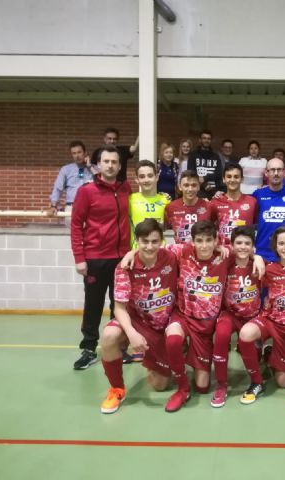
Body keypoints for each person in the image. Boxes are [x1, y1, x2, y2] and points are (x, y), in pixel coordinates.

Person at [162, 220, 265, 412]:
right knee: (173, 340)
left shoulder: (225, 256)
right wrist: (130, 253)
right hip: (183, 315)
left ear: (216, 241)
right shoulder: (182, 251)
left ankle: (194, 360)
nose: (204, 245)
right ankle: (182, 389)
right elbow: (153, 248)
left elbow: (244, 248)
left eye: (208, 240)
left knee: (202, 387)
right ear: (192, 241)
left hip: (205, 325)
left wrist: (257, 256)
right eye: (199, 240)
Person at [98, 219, 178, 413]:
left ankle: (158, 358)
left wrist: (223, 247)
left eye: (154, 241)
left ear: (162, 241)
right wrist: (131, 333)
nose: (149, 246)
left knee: (160, 385)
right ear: (137, 241)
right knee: (108, 336)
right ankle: (117, 389)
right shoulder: (125, 267)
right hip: (136, 319)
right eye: (144, 241)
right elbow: (119, 308)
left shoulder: (172, 255)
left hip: (162, 324)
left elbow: (200, 246)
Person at [70, 145, 132, 370]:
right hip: (95, 258)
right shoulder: (86, 191)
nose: (110, 165)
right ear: (98, 164)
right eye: (106, 161)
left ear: (120, 165)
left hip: (121, 259)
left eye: (114, 162)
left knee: (120, 305)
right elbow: (76, 225)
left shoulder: (125, 188)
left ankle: (119, 347)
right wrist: (80, 257)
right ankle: (88, 349)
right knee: (93, 304)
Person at [238, 226, 285, 404]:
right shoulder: (268, 269)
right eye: (281, 243)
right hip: (269, 320)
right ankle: (256, 382)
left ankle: (269, 353)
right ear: (275, 246)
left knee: (282, 383)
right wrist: (256, 256)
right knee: (245, 333)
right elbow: (241, 254)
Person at [211, 226, 262, 408]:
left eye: (247, 243)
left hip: (252, 316)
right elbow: (206, 250)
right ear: (231, 245)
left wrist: (258, 257)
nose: (242, 247)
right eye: (238, 243)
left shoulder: (258, 265)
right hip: (230, 314)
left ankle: (257, 381)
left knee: (253, 352)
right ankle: (221, 384)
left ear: (253, 246)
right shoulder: (225, 262)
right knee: (221, 335)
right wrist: (218, 247)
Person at [208, 163, 257, 246]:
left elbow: (256, 226)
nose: (232, 180)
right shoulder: (215, 202)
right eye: (229, 176)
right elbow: (210, 228)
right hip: (223, 251)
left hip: (244, 250)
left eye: (236, 177)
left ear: (242, 179)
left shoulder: (252, 202)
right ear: (224, 179)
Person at [48, 140, 94, 227]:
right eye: (74, 153)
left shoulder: (94, 169)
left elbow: (102, 182)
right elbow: (58, 188)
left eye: (79, 152)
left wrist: (90, 167)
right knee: (73, 235)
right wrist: (53, 206)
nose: (77, 156)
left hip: (90, 208)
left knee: (92, 234)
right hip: (72, 207)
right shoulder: (66, 169)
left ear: (85, 153)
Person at [129, 160, 170, 246]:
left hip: (160, 249)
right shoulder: (130, 200)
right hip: (137, 250)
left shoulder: (166, 200)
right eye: (142, 176)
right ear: (137, 180)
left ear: (157, 177)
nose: (146, 180)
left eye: (150, 176)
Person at [164, 170, 210, 244]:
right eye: (186, 185)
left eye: (194, 185)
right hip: (180, 250)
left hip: (202, 250)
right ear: (180, 187)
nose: (190, 189)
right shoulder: (170, 208)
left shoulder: (208, 206)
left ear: (198, 187)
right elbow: (164, 228)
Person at [188, 130, 224, 199]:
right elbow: (191, 173)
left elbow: (219, 173)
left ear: (211, 141)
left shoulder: (215, 156)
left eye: (208, 138)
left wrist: (204, 178)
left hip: (214, 192)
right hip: (198, 191)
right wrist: (205, 185)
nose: (206, 140)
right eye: (204, 138)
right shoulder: (193, 155)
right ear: (200, 140)